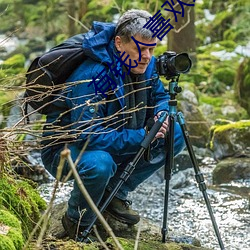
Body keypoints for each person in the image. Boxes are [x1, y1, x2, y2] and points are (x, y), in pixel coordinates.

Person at [41, 9, 185, 241]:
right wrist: (142, 136)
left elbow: (159, 96)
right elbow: (87, 135)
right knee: (100, 164)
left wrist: (161, 114)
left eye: (152, 49)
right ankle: (76, 221)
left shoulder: (144, 63)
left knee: (175, 131)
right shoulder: (92, 76)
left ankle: (115, 193)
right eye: (141, 48)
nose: (148, 56)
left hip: (117, 136)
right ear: (119, 43)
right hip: (67, 150)